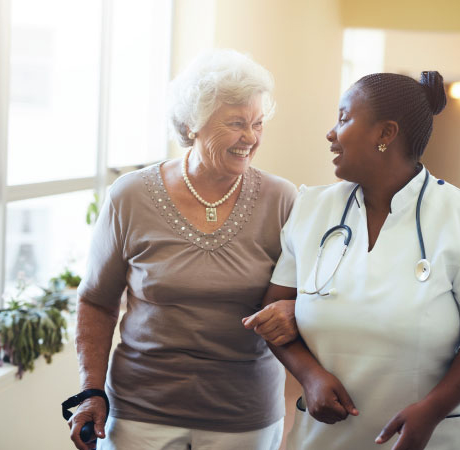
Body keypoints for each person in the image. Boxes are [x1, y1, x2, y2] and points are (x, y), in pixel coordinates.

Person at [244, 71, 460, 449]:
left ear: (385, 134)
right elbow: (274, 311)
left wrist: (433, 409)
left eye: (343, 118)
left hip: (431, 437)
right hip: (326, 437)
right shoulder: (310, 209)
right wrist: (310, 376)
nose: (331, 133)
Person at [68, 49, 299, 450]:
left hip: (243, 417)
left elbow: (306, 295)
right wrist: (91, 390)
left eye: (258, 123)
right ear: (193, 124)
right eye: (236, 123)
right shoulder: (131, 196)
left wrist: (296, 310)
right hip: (139, 414)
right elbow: (96, 301)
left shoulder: (281, 199)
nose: (251, 137)